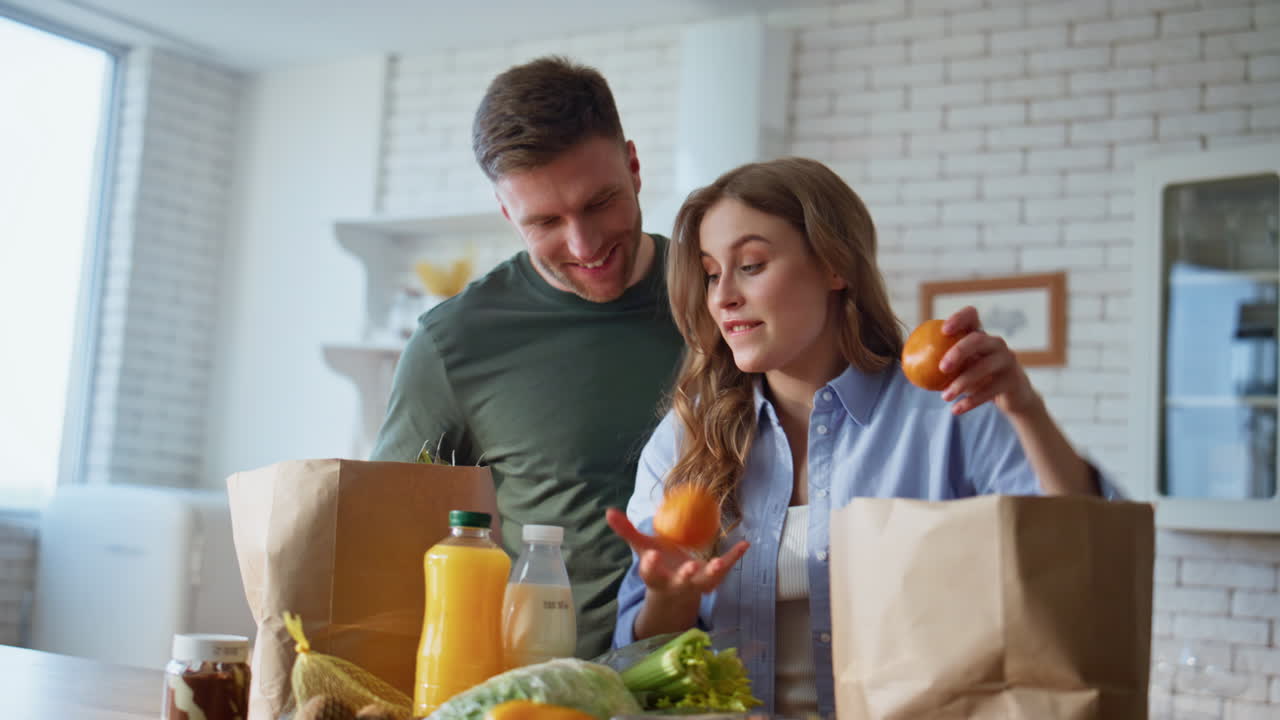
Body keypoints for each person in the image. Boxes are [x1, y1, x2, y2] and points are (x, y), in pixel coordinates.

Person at [606, 157, 1118, 717]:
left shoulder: (948, 407)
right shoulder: (688, 433)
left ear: (835, 265)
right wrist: (671, 595)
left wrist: (1023, 407)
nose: (723, 295)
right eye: (710, 273)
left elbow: (1085, 554)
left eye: (751, 264)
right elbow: (636, 663)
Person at [370, 56, 684, 658]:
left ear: (635, 167)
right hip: (547, 694)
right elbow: (389, 538)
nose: (584, 244)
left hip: (733, 688)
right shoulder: (454, 342)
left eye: (600, 203)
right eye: (545, 221)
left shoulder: (720, 297)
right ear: (507, 213)